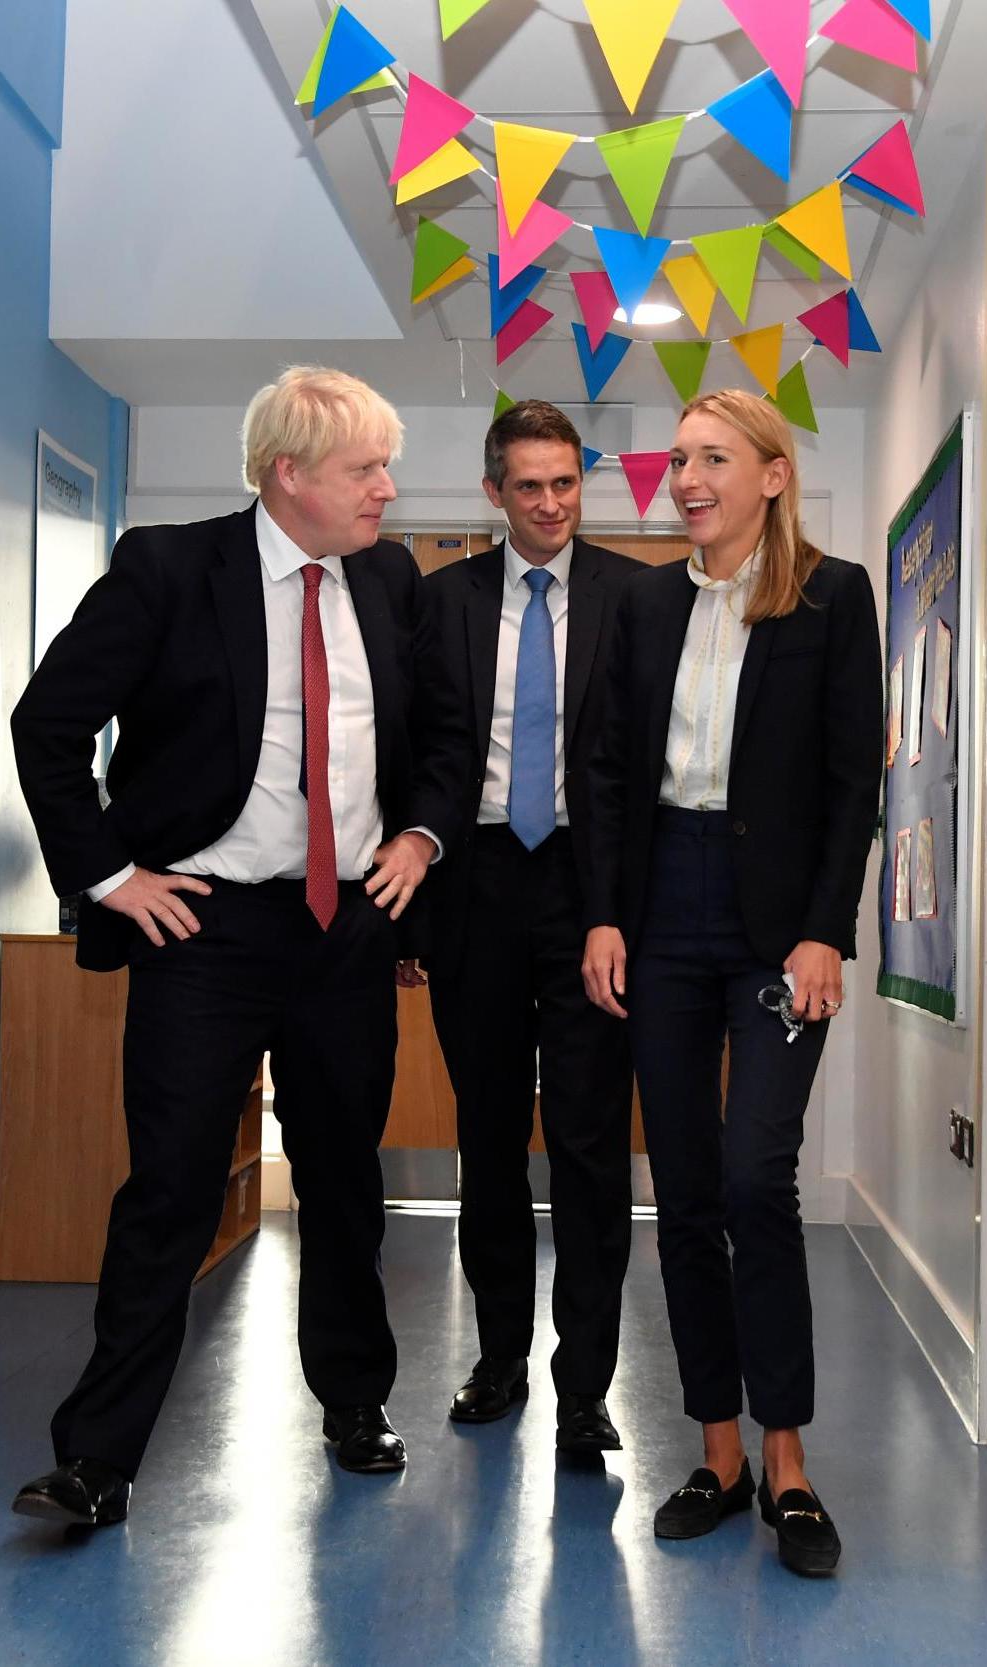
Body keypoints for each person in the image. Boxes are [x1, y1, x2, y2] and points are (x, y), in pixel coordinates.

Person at [7, 366, 467, 1530]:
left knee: (344, 1179)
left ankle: (354, 1403)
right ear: (289, 475)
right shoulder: (168, 568)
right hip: (204, 927)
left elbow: (442, 735)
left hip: (345, 926)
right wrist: (110, 876)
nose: (386, 488)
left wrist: (417, 834)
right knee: (166, 1188)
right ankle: (97, 1459)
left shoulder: (389, 577)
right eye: (365, 468)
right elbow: (48, 723)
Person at [580, 389, 882, 1579]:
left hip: (772, 927)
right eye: (679, 457)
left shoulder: (830, 592)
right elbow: (608, 769)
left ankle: (789, 1457)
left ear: (770, 472)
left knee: (759, 1173)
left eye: (712, 457)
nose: (686, 475)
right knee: (689, 1186)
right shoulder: (648, 601)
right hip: (660, 912)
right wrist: (605, 911)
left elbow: (850, 773)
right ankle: (717, 1450)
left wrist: (823, 932)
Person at [409, 400, 637, 1452]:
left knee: (590, 1143)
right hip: (477, 887)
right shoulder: (438, 600)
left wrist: (624, 910)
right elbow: (411, 753)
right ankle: (499, 1354)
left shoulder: (634, 597)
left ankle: (586, 1381)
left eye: (566, 483)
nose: (550, 505)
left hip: (591, 896)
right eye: (529, 486)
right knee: (489, 1136)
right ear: (492, 492)